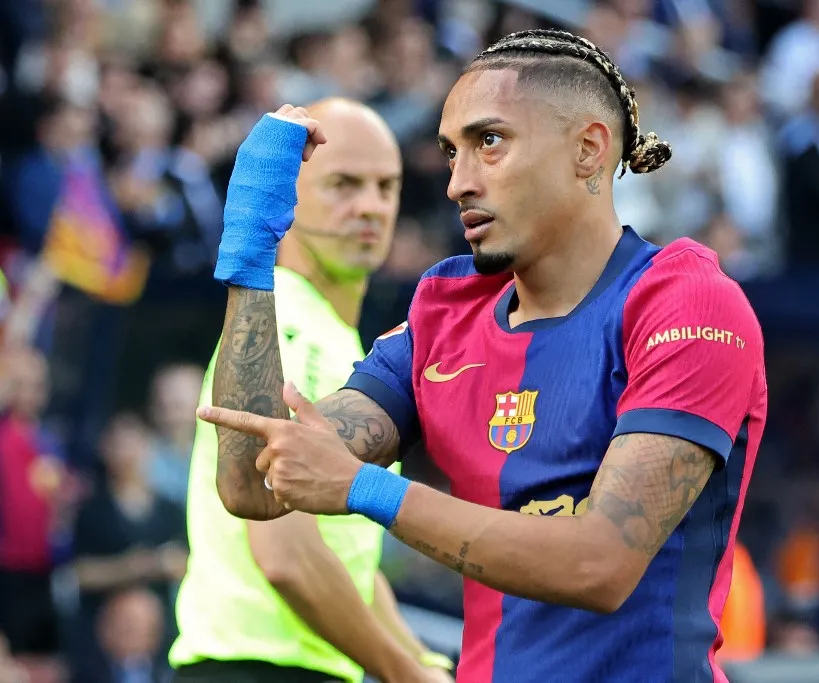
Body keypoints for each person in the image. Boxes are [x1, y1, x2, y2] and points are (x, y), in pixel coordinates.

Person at [199, 30, 767, 682]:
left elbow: (600, 564)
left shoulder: (687, 303)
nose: (458, 183)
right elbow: (257, 484)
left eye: (489, 142)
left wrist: (364, 487)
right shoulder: (443, 311)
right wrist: (249, 257)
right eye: (450, 153)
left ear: (587, 149)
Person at [168, 98, 454, 683]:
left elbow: (343, 558)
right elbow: (287, 556)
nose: (371, 206)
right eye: (344, 185)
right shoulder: (291, 332)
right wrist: (406, 672)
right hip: (259, 668)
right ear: (287, 201)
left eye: (385, 186)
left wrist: (419, 659)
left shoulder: (328, 333)